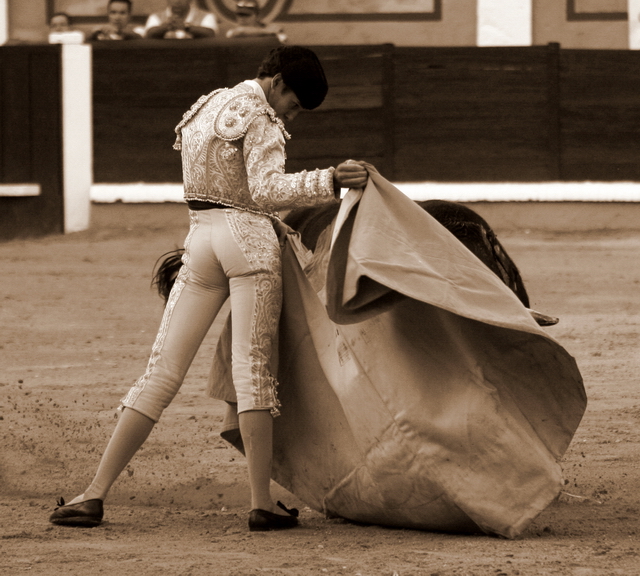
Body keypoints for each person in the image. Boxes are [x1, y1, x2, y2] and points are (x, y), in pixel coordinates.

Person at [48, 45, 369, 532]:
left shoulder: (208, 104)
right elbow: (264, 191)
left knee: (160, 373)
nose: (291, 114)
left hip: (200, 240)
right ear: (279, 82)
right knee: (253, 375)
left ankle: (92, 496)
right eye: (295, 104)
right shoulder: (260, 116)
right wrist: (328, 179)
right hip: (250, 245)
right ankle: (262, 503)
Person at [144, 0, 218, 39]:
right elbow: (149, 34)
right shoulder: (155, 17)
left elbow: (210, 34)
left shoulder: (207, 16)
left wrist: (185, 27)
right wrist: (167, 27)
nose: (177, 1)